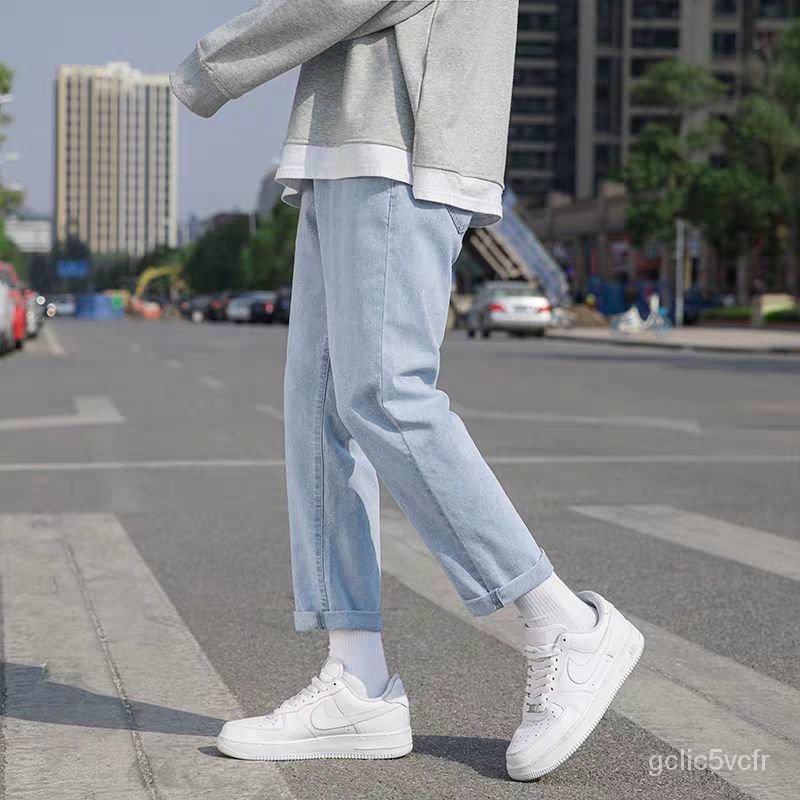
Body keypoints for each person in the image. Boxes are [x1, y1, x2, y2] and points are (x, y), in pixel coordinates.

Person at [171, 0, 644, 781]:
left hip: (407, 137)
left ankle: (563, 620)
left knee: (387, 393)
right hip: (346, 145)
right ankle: (356, 680)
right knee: (321, 410)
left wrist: (212, 65)